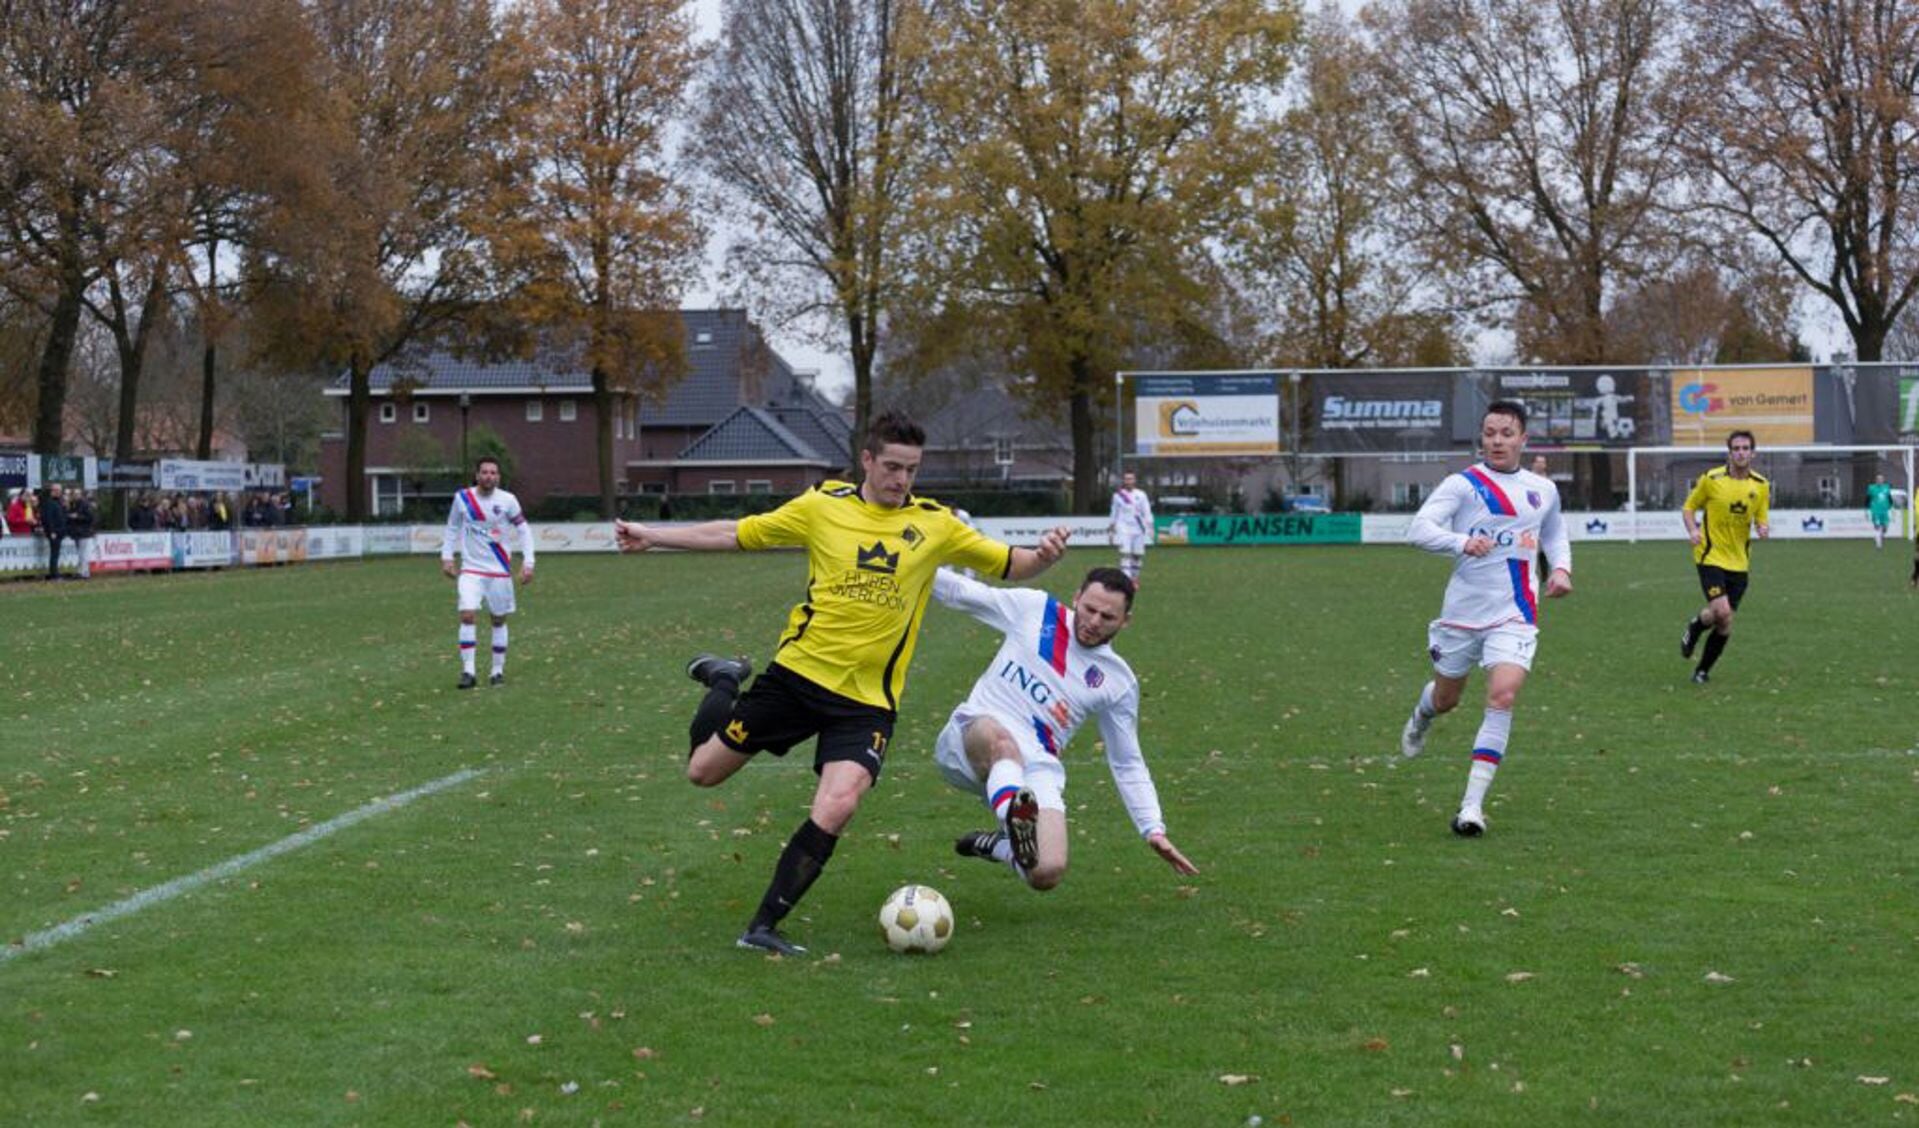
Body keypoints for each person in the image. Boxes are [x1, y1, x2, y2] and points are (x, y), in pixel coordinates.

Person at [613, 409, 1069, 957]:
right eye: (893, 467)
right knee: (702, 772)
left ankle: (762, 926)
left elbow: (1009, 563)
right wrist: (653, 535)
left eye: (912, 470)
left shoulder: (935, 523)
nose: (902, 480)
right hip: (795, 679)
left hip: (867, 704)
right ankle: (725, 680)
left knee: (839, 803)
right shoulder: (820, 507)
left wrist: (1041, 557)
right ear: (868, 460)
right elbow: (733, 533)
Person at [935, 566, 1197, 890]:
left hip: (1036, 766)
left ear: (1125, 621)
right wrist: (910, 565)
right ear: (1076, 597)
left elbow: (1127, 760)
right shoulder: (1036, 610)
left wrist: (1152, 828)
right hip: (973, 736)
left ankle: (999, 844)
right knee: (1004, 744)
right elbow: (963, 593)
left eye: (1108, 617)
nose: (1094, 621)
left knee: (1046, 871)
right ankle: (1014, 818)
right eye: (1089, 609)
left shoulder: (1117, 681)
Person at [1399, 401, 1572, 837]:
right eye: (1490, 432)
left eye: (1506, 433)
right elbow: (1418, 529)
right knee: (1447, 699)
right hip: (1462, 615)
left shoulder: (1542, 489)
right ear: (1482, 438)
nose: (1497, 440)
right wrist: (1461, 542)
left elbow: (1553, 531)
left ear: (1523, 439)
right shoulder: (1463, 485)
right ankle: (1422, 716)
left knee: (1503, 697)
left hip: (1515, 613)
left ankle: (1472, 807)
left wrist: (1562, 568)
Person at [1679, 430, 1770, 684]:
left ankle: (1701, 663)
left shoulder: (1761, 485)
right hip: (1710, 556)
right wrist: (1693, 529)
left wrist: (1763, 528)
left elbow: (1762, 518)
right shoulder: (1711, 479)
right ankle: (1700, 663)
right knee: (1723, 611)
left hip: (1740, 562)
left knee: (1723, 621)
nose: (1741, 453)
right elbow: (1688, 507)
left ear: (1753, 453)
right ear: (1729, 452)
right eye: (1736, 448)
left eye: (1745, 448)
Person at [440, 457, 535, 689]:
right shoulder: (462, 498)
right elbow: (452, 527)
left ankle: (497, 671)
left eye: (493, 473)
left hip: (499, 571)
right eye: (484, 472)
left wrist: (528, 562)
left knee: (498, 620)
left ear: (498, 477)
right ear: (477, 475)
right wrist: (447, 556)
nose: (489, 476)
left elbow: (523, 530)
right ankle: (468, 672)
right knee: (467, 614)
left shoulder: (508, 500)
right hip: (471, 569)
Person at [1108, 471, 1154, 587]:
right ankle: (1127, 580)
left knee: (1137, 555)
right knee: (1125, 554)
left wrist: (1150, 526)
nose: (1128, 481)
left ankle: (1134, 578)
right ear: (1124, 481)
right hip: (1123, 527)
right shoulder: (1118, 496)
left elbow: (1147, 511)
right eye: (1126, 479)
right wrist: (1111, 528)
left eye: (1131, 479)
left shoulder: (1141, 495)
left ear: (1134, 480)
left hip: (1138, 528)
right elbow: (1114, 513)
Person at [38, 483, 69, 581]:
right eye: (57, 490)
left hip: (59, 531)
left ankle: (55, 573)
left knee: (56, 553)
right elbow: (48, 518)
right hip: (54, 532)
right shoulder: (49, 502)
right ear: (53, 491)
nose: (59, 492)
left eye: (60, 490)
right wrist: (52, 531)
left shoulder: (58, 502)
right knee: (54, 553)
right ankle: (54, 574)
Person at [67, 490, 96, 579]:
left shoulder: (85, 504)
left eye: (77, 494)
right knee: (81, 553)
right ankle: (83, 572)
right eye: (74, 494)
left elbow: (90, 518)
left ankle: (83, 573)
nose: (75, 495)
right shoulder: (73, 504)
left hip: (84, 532)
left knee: (83, 553)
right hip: (77, 532)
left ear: (81, 495)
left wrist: (77, 517)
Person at [1866, 472, 1894, 550]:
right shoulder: (1871, 488)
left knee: (1885, 528)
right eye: (1878, 479)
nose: (1880, 480)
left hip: (1884, 511)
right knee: (1877, 527)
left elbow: (1889, 498)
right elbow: (1867, 499)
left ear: (1883, 480)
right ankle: (1879, 545)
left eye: (1881, 479)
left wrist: (1892, 508)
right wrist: (1867, 510)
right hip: (1875, 511)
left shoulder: (1886, 487)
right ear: (1876, 480)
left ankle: (1879, 537)